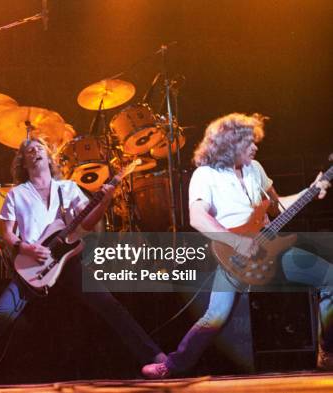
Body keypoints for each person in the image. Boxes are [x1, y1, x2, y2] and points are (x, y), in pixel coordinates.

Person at [0, 138, 166, 379]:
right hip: (32, 266)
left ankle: (158, 359)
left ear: (49, 158)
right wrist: (25, 247)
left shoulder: (67, 188)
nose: (35, 151)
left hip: (66, 263)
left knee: (110, 305)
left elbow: (87, 223)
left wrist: (106, 200)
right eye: (29, 150)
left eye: (39, 148)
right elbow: (7, 232)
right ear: (23, 163)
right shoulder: (17, 194)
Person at [141, 113, 332, 378]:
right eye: (249, 143)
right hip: (233, 255)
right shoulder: (204, 175)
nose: (255, 147)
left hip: (270, 248)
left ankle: (328, 351)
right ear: (229, 144)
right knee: (215, 316)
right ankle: (171, 367)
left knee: (330, 278)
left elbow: (279, 207)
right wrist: (236, 241)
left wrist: (311, 190)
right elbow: (197, 217)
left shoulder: (256, 168)